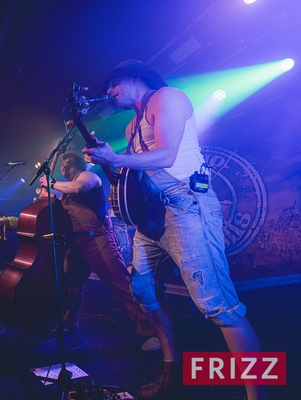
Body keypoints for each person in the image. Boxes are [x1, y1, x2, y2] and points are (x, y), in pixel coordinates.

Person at [83, 59, 266, 400]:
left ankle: (258, 395)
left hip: (186, 206)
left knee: (219, 305)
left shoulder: (167, 97)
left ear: (136, 76)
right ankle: (173, 373)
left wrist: (116, 160)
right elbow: (135, 176)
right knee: (145, 292)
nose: (109, 91)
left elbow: (165, 156)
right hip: (152, 215)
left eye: (114, 82)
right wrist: (111, 167)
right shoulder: (130, 127)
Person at [39, 152, 158, 350]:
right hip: (77, 243)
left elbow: (78, 188)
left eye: (67, 165)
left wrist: (51, 183)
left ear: (78, 165)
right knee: (72, 283)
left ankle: (150, 329)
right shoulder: (65, 190)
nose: (63, 169)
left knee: (119, 282)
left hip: (98, 239)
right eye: (61, 165)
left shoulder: (88, 177)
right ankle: (69, 323)